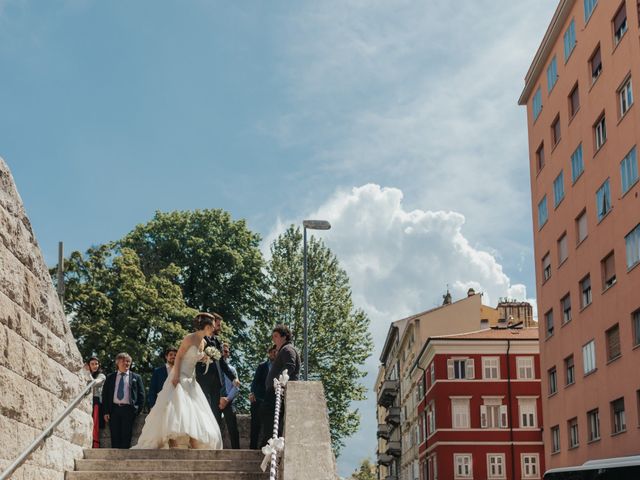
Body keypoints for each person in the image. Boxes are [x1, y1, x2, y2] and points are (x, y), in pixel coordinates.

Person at [132, 314, 223, 449]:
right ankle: (171, 439)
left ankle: (193, 439)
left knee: (193, 408)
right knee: (175, 406)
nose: (214, 329)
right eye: (213, 326)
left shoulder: (203, 342)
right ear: (208, 326)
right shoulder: (189, 338)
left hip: (191, 378)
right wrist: (176, 376)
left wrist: (204, 358)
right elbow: (179, 357)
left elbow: (194, 358)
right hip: (180, 375)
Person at [194, 313, 239, 429]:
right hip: (203, 380)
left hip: (217, 383)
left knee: (215, 414)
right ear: (210, 324)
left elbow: (222, 363)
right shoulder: (199, 338)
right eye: (217, 325)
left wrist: (233, 378)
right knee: (204, 410)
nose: (218, 328)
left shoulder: (217, 341)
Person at [260, 324, 301, 447]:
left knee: (269, 416)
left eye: (276, 336)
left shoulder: (287, 349)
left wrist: (277, 383)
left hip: (277, 392)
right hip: (275, 391)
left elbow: (290, 366)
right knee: (268, 417)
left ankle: (270, 444)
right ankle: (268, 443)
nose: (273, 339)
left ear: (285, 337)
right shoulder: (284, 350)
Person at [102, 352, 145, 449]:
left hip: (129, 410)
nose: (126, 363)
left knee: (126, 435)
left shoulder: (136, 377)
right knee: (115, 434)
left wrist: (136, 410)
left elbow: (141, 395)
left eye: (128, 361)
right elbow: (105, 395)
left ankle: (124, 458)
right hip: (114, 410)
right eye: (124, 361)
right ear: (117, 363)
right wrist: (105, 411)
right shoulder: (110, 377)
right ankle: (114, 458)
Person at [249, 345, 276, 449]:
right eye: (272, 352)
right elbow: (255, 381)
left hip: (270, 401)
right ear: (269, 353)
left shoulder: (278, 367)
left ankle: (264, 447)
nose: (274, 353)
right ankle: (252, 448)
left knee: (269, 426)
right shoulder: (262, 366)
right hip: (258, 400)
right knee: (255, 425)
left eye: (276, 352)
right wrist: (252, 392)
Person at [219, 343, 240, 449]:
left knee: (233, 428)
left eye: (226, 351)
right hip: (216, 400)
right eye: (222, 350)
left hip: (228, 400)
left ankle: (236, 450)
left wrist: (227, 399)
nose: (224, 353)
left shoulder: (232, 369)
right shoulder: (215, 367)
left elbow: (236, 386)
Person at [85, 357, 106, 448]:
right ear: (89, 365)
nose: (95, 366)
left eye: (96, 364)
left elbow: (94, 383)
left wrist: (87, 372)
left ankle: (95, 444)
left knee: (95, 423)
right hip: (85, 401)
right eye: (92, 364)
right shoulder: (85, 374)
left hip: (96, 401)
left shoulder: (101, 376)